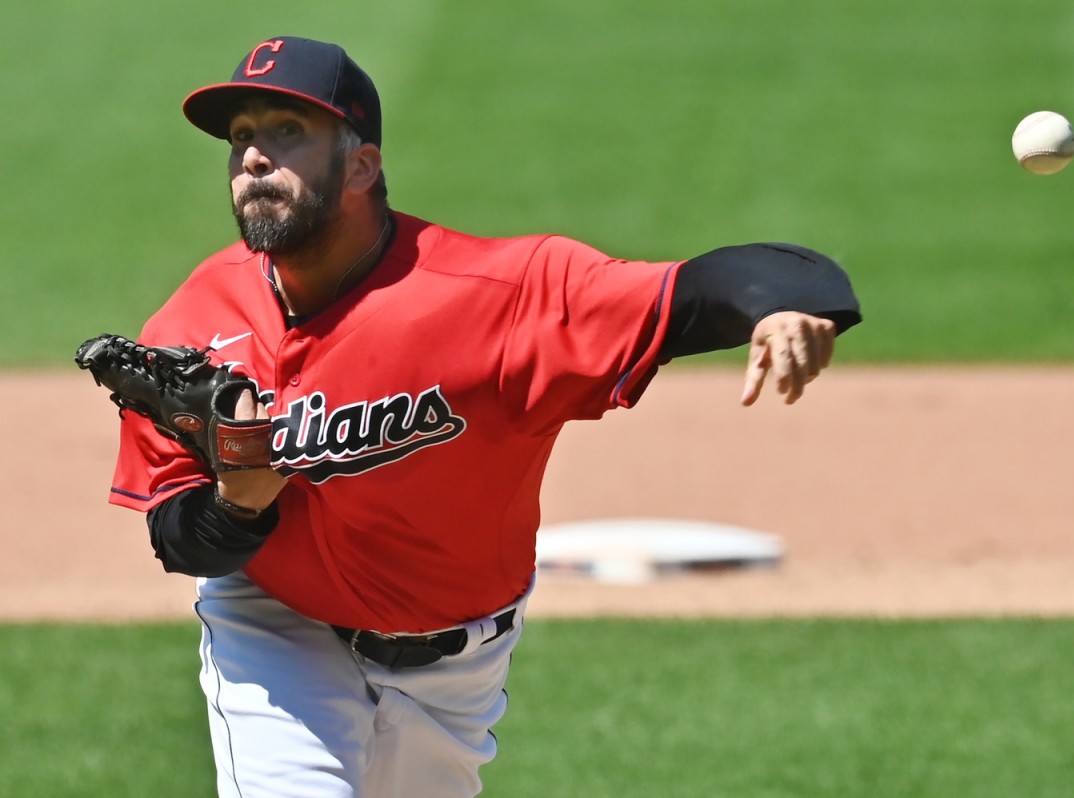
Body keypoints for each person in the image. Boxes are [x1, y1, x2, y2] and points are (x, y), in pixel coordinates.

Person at [106, 36, 862, 798]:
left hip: (456, 672)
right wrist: (239, 503)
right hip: (278, 629)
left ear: (362, 165)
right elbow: (180, 543)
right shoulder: (194, 323)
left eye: (287, 132)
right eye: (241, 138)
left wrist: (778, 308)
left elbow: (698, 289)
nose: (254, 159)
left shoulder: (492, 296)